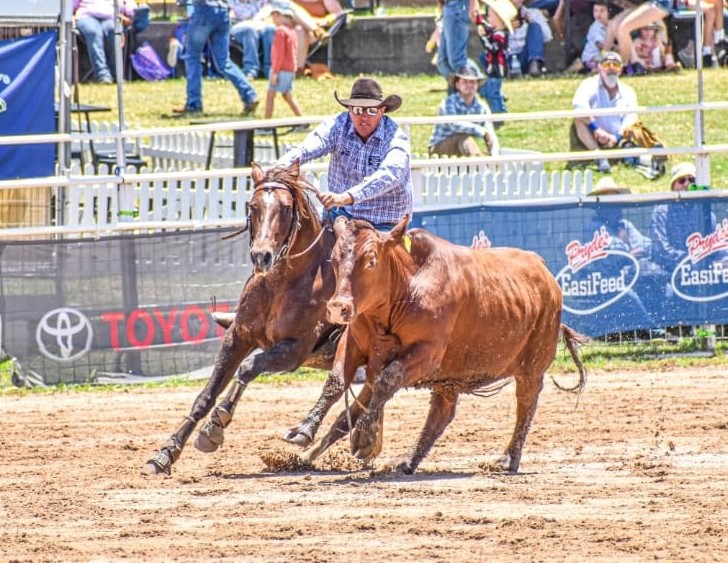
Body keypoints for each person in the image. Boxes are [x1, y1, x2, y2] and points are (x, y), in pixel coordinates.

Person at [276, 78, 413, 229]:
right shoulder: (338, 125)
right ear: (349, 109)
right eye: (357, 110)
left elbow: (390, 174)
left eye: (372, 110)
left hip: (382, 221)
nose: (364, 117)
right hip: (340, 212)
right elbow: (310, 146)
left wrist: (347, 197)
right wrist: (282, 164)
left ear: (382, 110)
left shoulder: (395, 138)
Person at [172, 0, 260, 116]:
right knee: (224, 62)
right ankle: (250, 96)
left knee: (193, 58)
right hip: (222, 11)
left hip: (204, 10)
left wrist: (182, 7)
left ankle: (194, 104)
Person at [571, 51, 639, 173]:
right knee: (578, 119)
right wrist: (596, 129)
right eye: (607, 65)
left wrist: (616, 136)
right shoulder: (588, 84)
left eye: (615, 65)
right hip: (593, 132)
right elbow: (579, 107)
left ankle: (627, 154)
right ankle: (599, 157)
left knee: (636, 125)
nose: (611, 68)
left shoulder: (629, 91)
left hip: (618, 136)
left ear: (621, 69)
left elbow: (631, 118)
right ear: (599, 68)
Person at [428, 64, 500, 157]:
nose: (469, 85)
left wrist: (494, 151)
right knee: (463, 137)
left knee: (469, 141)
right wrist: (482, 131)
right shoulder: (448, 102)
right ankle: (479, 162)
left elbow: (489, 130)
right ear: (457, 85)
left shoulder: (482, 107)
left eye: (472, 82)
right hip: (439, 148)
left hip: (464, 148)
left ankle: (487, 161)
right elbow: (454, 124)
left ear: (477, 85)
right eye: (465, 82)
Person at [73, 0, 138, 84]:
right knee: (93, 32)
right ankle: (103, 75)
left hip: (111, 18)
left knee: (114, 31)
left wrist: (130, 15)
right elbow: (71, 5)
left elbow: (130, 8)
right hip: (86, 16)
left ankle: (117, 74)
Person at [264, 0, 305, 122]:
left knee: (270, 95)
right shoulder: (292, 31)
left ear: (278, 15)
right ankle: (302, 121)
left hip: (281, 70)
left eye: (273, 16)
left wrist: (275, 72)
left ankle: (266, 124)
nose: (273, 19)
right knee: (287, 96)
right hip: (290, 69)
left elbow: (279, 54)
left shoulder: (280, 31)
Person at [475, 0, 515, 115]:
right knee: (493, 90)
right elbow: (488, 28)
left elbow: (493, 49)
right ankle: (501, 107)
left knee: (493, 93)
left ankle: (499, 114)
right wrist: (479, 20)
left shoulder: (500, 35)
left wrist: (483, 38)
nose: (488, 18)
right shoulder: (496, 32)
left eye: (490, 16)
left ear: (499, 18)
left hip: (497, 69)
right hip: (493, 68)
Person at [229, 0, 276, 80]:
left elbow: (268, 10)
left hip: (259, 25)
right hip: (238, 27)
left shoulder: (261, 2)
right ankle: (250, 70)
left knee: (270, 30)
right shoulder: (230, 2)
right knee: (249, 30)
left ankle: (270, 70)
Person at [437, 0, 479, 84]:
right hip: (449, 6)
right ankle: (459, 89)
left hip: (458, 6)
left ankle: (483, 86)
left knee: (457, 61)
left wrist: (473, 3)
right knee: (443, 62)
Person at [508, 0, 553, 77]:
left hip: (525, 55)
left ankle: (534, 66)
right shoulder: (499, 15)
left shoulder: (533, 12)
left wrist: (532, 21)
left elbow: (548, 37)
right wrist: (506, 27)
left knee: (535, 26)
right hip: (508, 56)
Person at [571, 0, 609, 73]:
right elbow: (601, 46)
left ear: (608, 12)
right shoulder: (596, 27)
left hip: (600, 56)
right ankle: (583, 67)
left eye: (602, 11)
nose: (598, 14)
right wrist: (617, 48)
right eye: (595, 11)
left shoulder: (608, 26)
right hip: (591, 58)